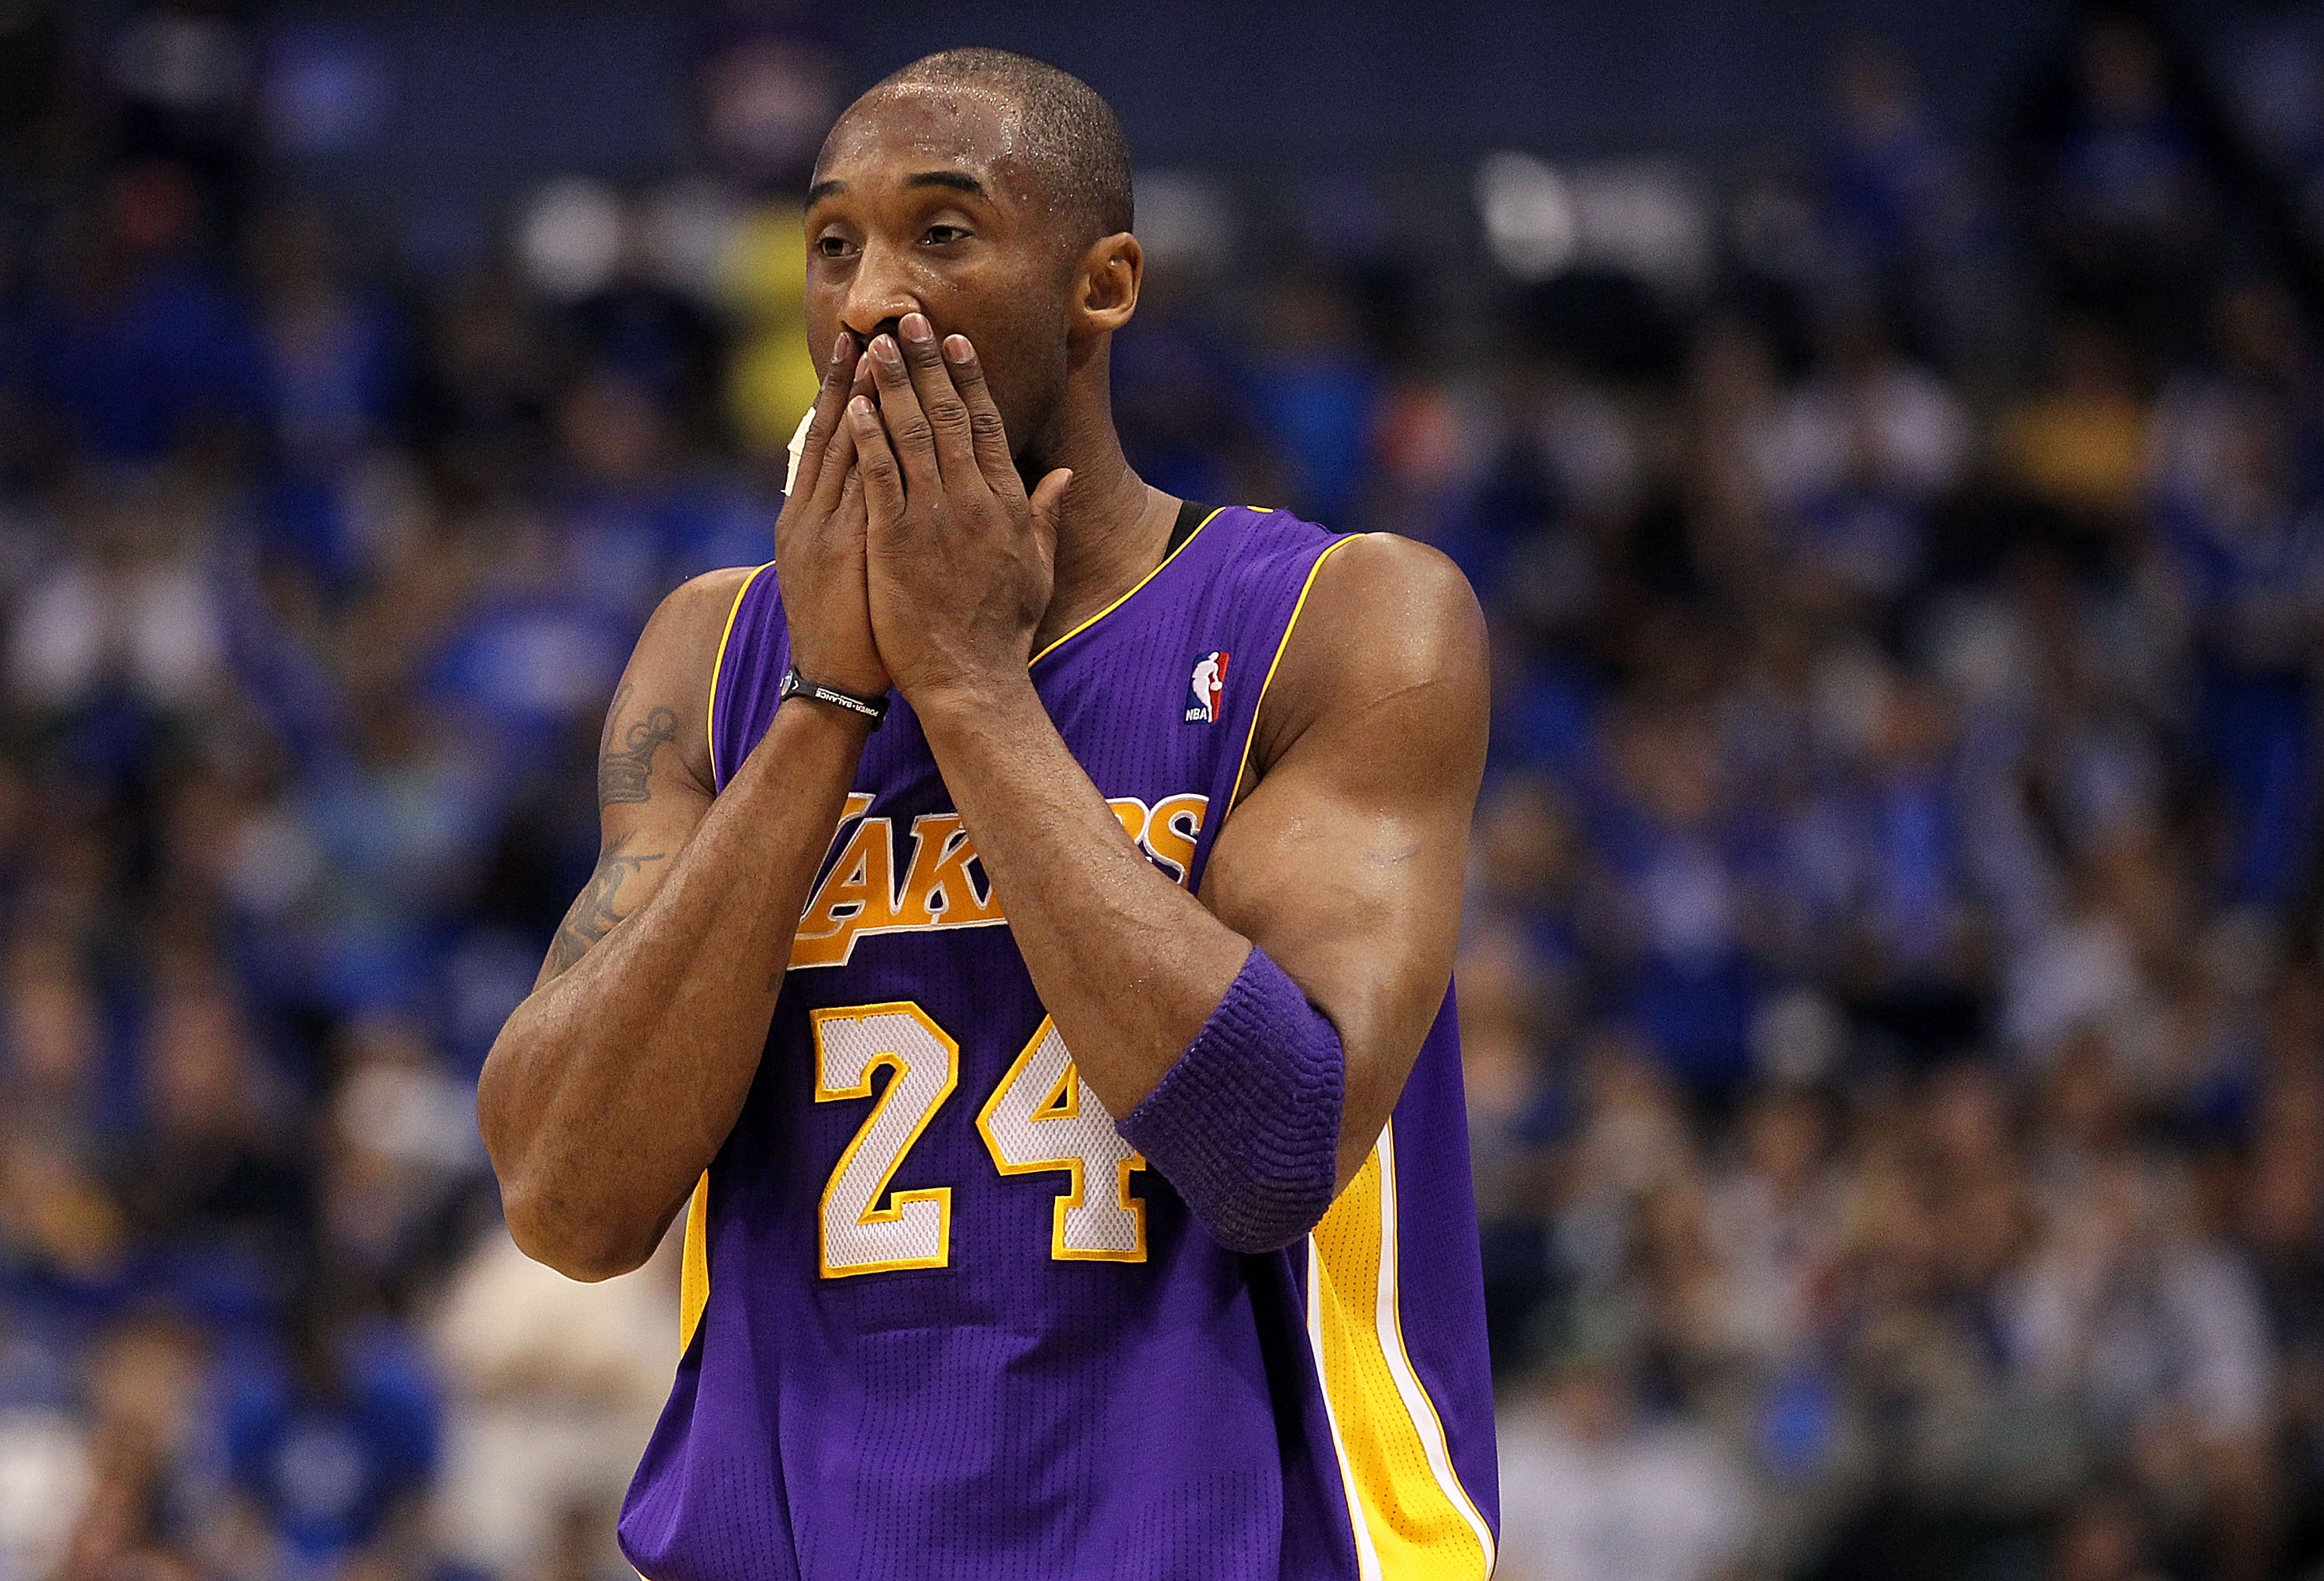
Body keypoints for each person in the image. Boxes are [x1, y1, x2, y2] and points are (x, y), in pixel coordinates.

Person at [477, 46, 1497, 1580]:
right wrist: (831, 699)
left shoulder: (1343, 623)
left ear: (1104, 285)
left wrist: (965, 685)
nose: (872, 303)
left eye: (943, 234)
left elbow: (1276, 1149)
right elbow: (564, 1196)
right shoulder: (716, 655)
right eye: (835, 245)